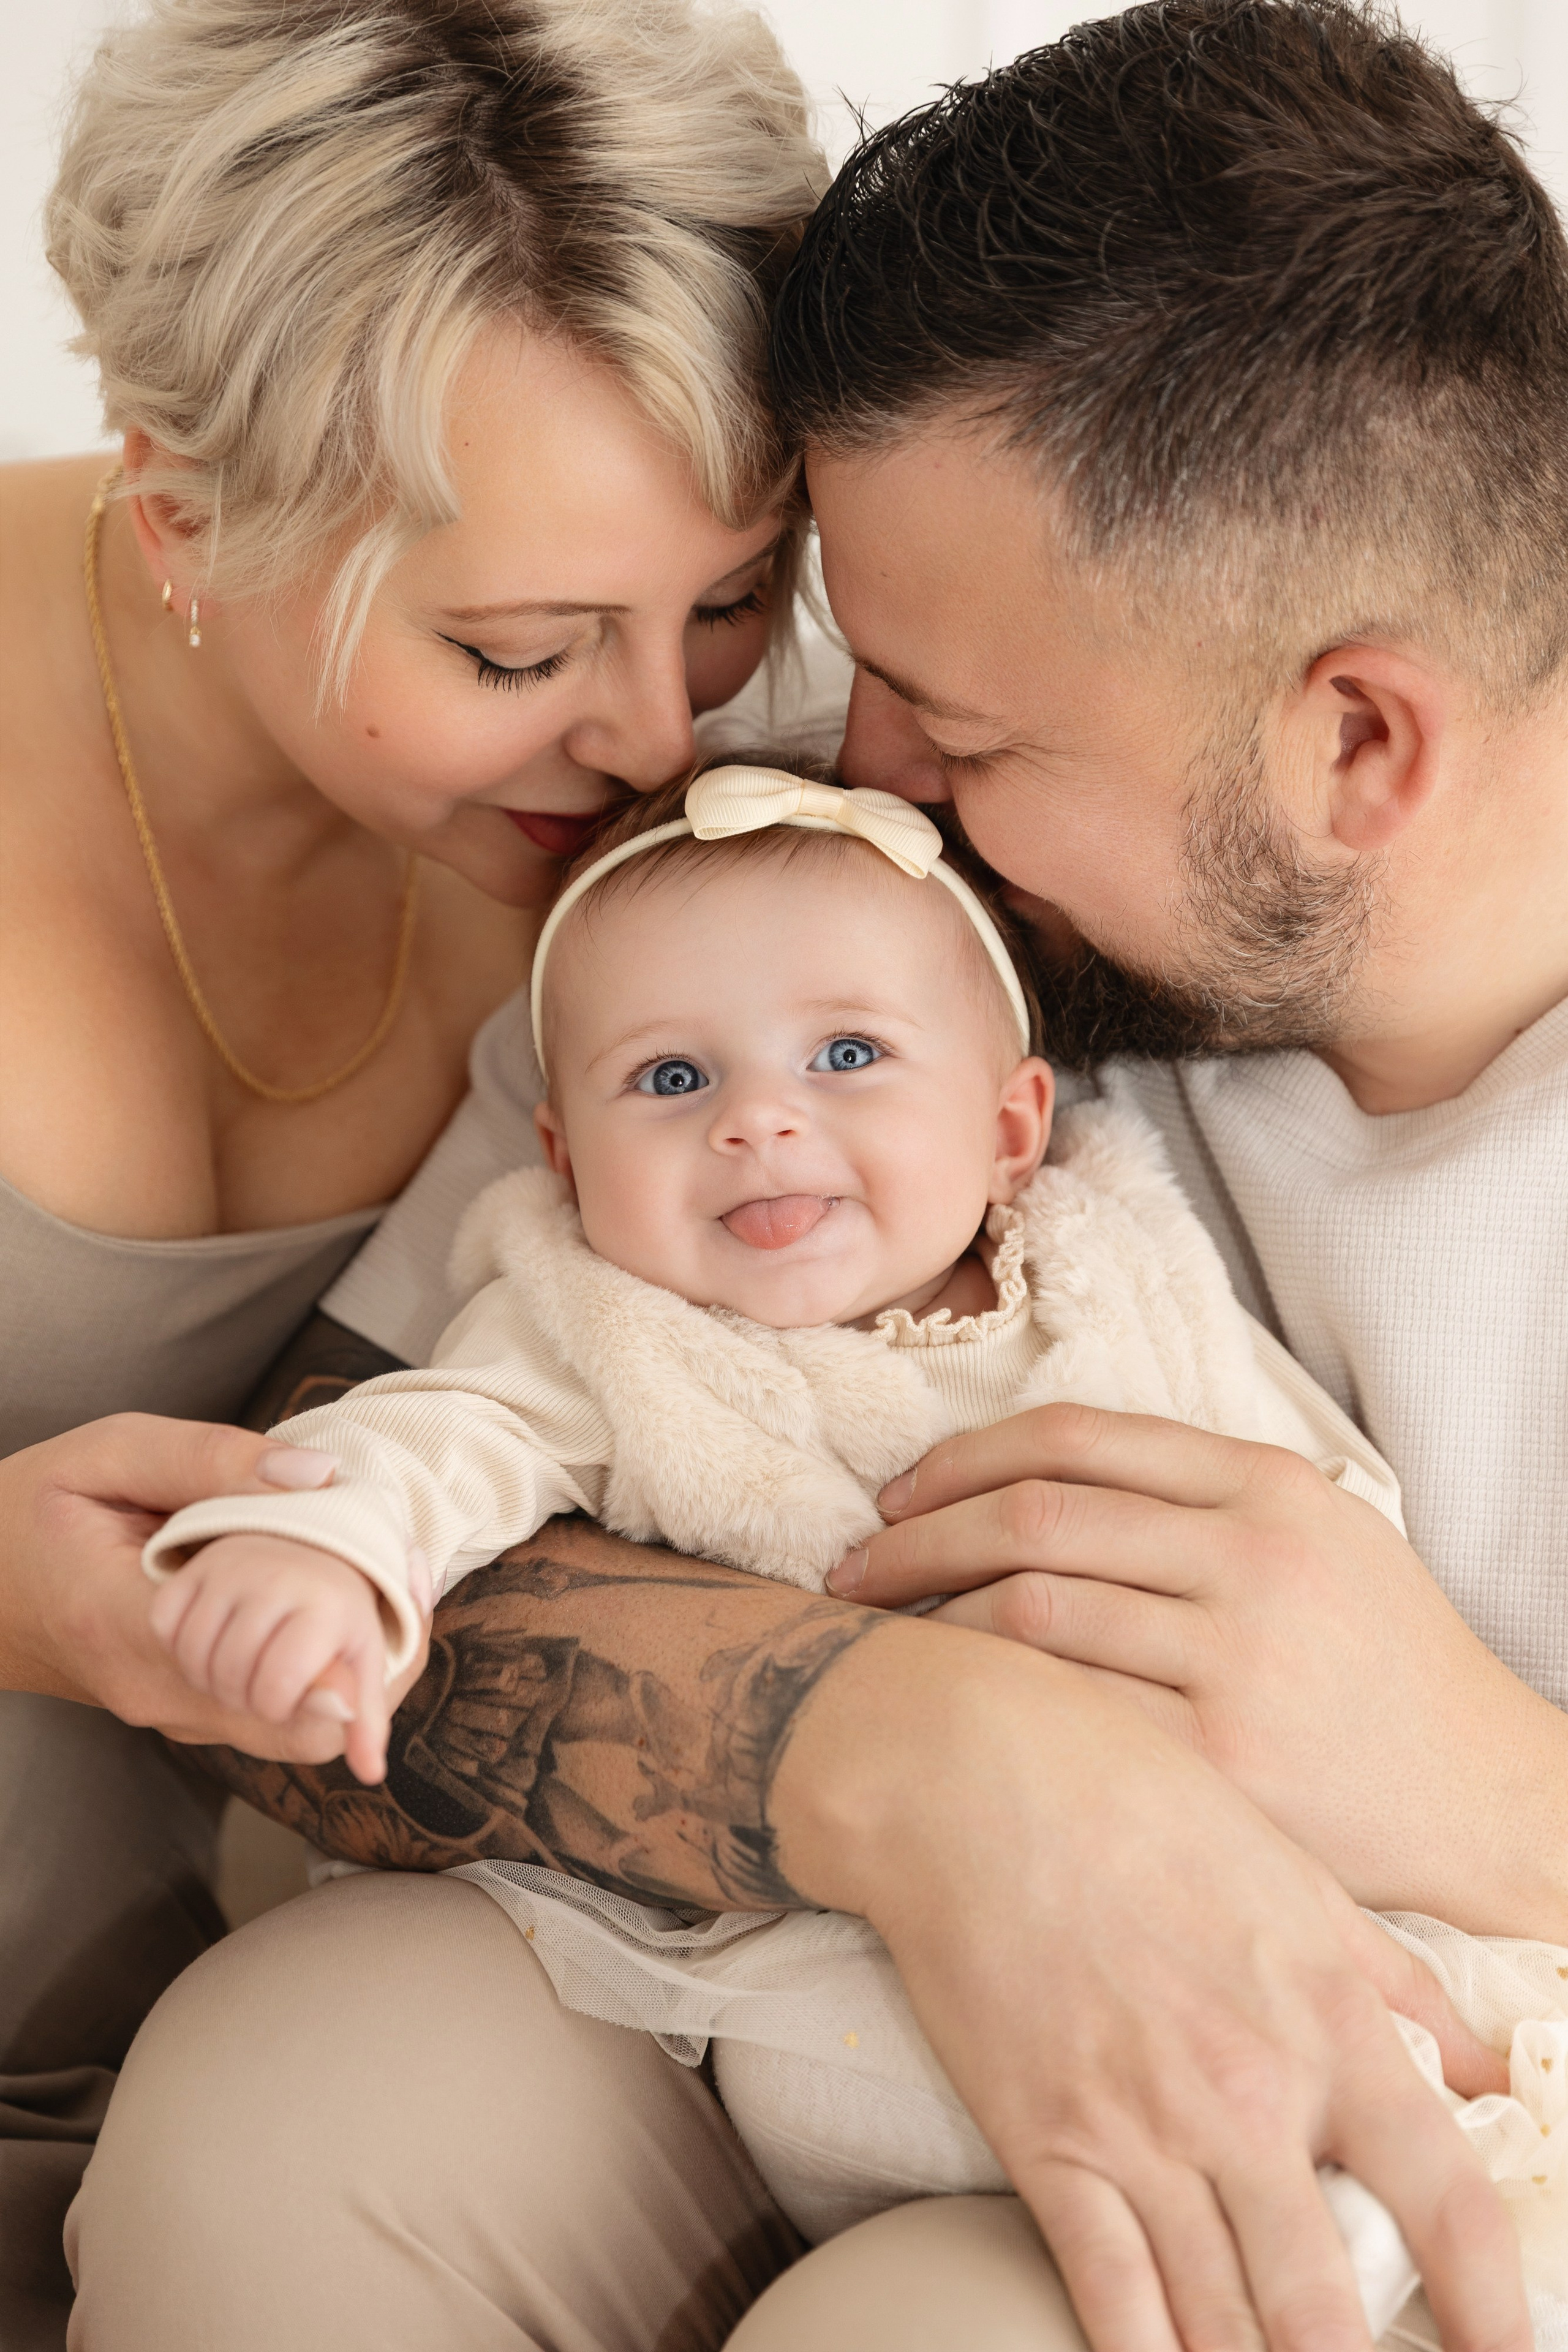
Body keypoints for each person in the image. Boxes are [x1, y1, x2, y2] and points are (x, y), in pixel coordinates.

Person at [13, 9, 1555, 2352]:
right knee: (286, 2113)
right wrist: (921, 1762)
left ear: (1355, 738)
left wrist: (1503, 1787)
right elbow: (369, 1451)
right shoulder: (838, 929)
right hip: (780, 1978)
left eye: (960, 726)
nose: (843, 765)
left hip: (1445, 2057)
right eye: (854, 654)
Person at [127, 761, 1557, 2329]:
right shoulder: (609, 1325)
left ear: (1011, 1128)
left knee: (1370, 2003)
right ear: (563, 1158)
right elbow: (441, 1439)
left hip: (1191, 1878)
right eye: (670, 1079)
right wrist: (325, 1547)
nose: (756, 1119)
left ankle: (1355, 2186)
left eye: (848, 1055)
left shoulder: (1115, 1266)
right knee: (828, 2084)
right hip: (817, 1962)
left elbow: (1298, 1498)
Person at [0, 0, 827, 2339]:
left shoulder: (733, 832)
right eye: (519, 647)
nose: (661, 730)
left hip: (317, 2118)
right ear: (183, 512)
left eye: (734, 596)